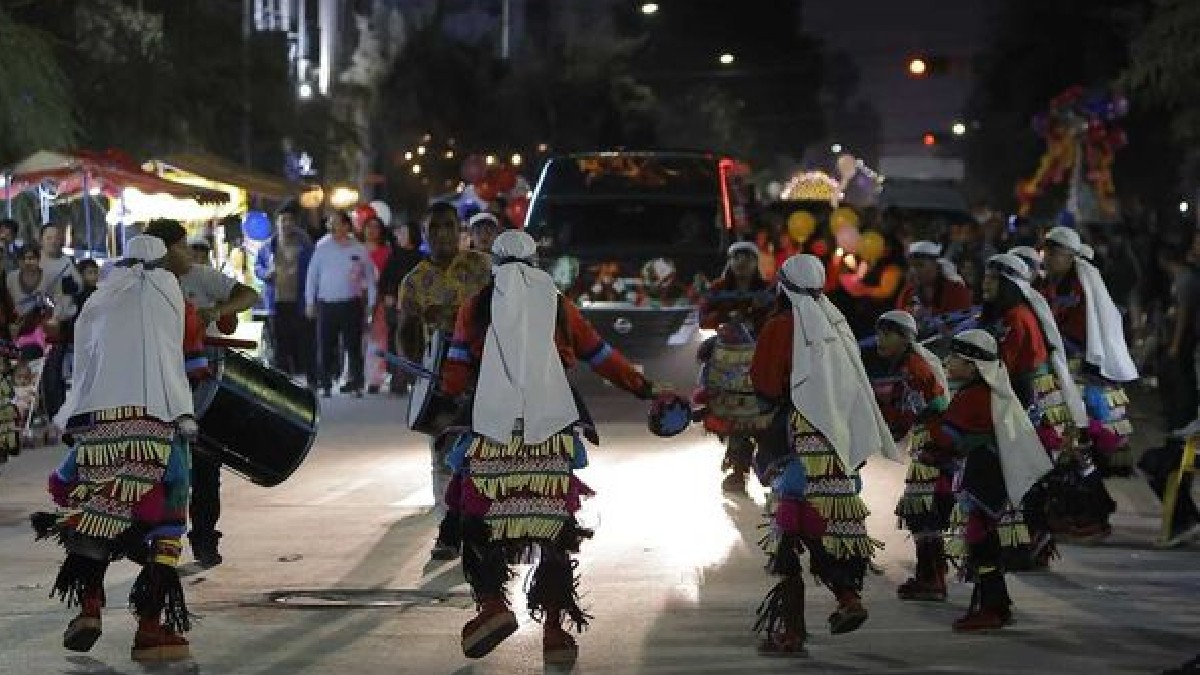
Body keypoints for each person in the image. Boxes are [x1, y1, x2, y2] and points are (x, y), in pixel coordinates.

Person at [440, 231, 661, 662]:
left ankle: (492, 606)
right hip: (551, 430)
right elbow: (600, 356)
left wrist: (446, 386)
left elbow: (453, 377)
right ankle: (556, 634)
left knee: (477, 519)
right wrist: (644, 387)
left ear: (495, 264)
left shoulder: (476, 307)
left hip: (493, 431)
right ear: (535, 262)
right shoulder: (559, 305)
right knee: (554, 529)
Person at [31, 235, 206, 663]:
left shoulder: (98, 302)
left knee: (91, 514)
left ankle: (89, 609)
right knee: (168, 526)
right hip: (161, 433)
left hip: (101, 433)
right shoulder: (173, 298)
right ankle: (151, 628)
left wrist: (79, 418)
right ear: (162, 262)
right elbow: (194, 366)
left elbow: (85, 366)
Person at [750, 254, 898, 656]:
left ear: (782, 286)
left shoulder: (781, 326)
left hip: (794, 444)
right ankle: (848, 597)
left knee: (789, 538)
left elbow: (764, 383)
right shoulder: (837, 325)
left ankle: (791, 631)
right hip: (838, 449)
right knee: (832, 526)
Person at [981, 253, 1114, 554]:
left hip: (1032, 397)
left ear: (1009, 285)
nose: (984, 283)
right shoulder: (1010, 314)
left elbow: (1006, 367)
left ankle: (1040, 534)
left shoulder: (1017, 318)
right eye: (986, 276)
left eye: (992, 279)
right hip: (1028, 393)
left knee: (1035, 468)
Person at [145, 219, 260, 568]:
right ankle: (159, 542)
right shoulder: (145, 281)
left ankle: (205, 539)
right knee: (162, 468)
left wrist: (216, 311)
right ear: (164, 251)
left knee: (207, 465)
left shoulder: (200, 276)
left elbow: (248, 294)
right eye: (181, 246)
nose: (188, 253)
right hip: (162, 386)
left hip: (205, 383)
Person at [928, 330, 1052, 631]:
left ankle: (991, 608)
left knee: (981, 542)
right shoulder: (990, 394)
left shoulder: (973, 396)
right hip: (990, 479)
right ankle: (997, 604)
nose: (948, 362)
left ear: (973, 366)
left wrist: (929, 420)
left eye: (955, 358)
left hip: (984, 480)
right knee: (984, 542)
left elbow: (949, 438)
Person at [397, 202, 492, 560]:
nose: (441, 234)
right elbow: (406, 332)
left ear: (460, 230)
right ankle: (449, 532)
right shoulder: (415, 280)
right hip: (439, 377)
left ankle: (483, 529)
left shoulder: (484, 268)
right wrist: (417, 375)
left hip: (484, 372)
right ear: (424, 234)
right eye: (433, 228)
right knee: (444, 457)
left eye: (448, 226)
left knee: (485, 453)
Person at [1039, 226, 1140, 476]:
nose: (1047, 257)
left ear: (1070, 256)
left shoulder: (1082, 286)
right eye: (1046, 251)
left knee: (1081, 418)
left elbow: (1080, 331)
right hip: (1059, 360)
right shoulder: (1050, 283)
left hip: (1081, 365)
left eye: (1054, 253)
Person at [873, 310, 953, 601]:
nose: (880, 339)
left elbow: (939, 404)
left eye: (887, 334)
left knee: (922, 511)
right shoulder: (909, 365)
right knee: (921, 510)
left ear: (905, 338)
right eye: (879, 333)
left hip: (934, 446)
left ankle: (932, 578)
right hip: (929, 443)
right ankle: (931, 573)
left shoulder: (916, 367)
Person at [696, 241, 774, 492]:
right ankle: (738, 469)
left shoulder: (768, 290)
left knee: (763, 415)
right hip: (728, 360)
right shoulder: (717, 289)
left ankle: (771, 467)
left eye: (747, 258)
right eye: (737, 258)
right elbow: (703, 318)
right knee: (735, 416)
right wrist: (726, 317)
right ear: (730, 261)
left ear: (755, 263)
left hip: (762, 359)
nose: (742, 263)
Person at [305, 211, 377, 398]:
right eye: (331, 223)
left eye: (337, 223)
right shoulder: (322, 247)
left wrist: (372, 302)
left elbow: (370, 278)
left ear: (346, 225)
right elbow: (312, 276)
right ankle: (325, 382)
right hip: (326, 304)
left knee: (353, 345)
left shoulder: (358, 249)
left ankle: (356, 382)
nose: (333, 227)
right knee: (325, 344)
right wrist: (309, 302)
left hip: (351, 303)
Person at [255, 199, 316, 385]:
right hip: (276, 302)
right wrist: (266, 274)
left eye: (290, 220)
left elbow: (314, 271)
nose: (286, 224)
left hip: (299, 302)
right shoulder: (268, 246)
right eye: (282, 220)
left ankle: (311, 380)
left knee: (304, 343)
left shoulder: (305, 246)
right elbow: (257, 268)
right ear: (277, 223)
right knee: (280, 344)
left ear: (295, 223)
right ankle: (283, 382)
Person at [378, 219, 425, 395]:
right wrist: (387, 296)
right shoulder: (394, 257)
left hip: (415, 307)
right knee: (397, 342)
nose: (399, 236)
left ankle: (411, 378)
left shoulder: (421, 258)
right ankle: (398, 379)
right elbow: (384, 281)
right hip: (396, 308)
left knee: (413, 342)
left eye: (403, 232)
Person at [895, 241, 974, 332]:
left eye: (920, 265)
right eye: (912, 266)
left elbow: (963, 325)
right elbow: (898, 322)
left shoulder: (956, 290)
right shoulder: (908, 292)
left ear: (936, 265)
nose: (914, 271)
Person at [362, 216, 393, 394]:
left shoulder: (387, 252)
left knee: (377, 340)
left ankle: (375, 378)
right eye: (369, 227)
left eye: (376, 227)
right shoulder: (356, 249)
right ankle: (355, 375)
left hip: (378, 300)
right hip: (356, 298)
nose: (372, 231)